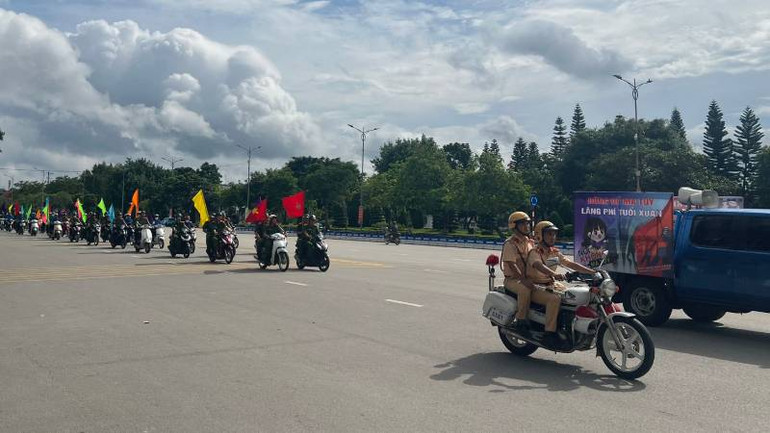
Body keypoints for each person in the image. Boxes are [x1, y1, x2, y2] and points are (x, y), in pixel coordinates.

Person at [526, 220, 596, 347]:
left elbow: (569, 263)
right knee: (554, 299)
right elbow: (538, 265)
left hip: (551, 284)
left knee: (571, 295)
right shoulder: (535, 252)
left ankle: (568, 326)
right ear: (540, 235)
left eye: (554, 234)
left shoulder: (554, 252)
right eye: (549, 234)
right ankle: (549, 333)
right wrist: (554, 274)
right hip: (535, 286)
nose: (552, 237)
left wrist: (592, 271)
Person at [501, 211, 536, 332]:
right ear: (514, 226)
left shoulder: (530, 242)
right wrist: (523, 280)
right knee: (525, 289)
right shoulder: (510, 244)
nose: (526, 226)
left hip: (528, 277)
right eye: (522, 224)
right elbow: (512, 264)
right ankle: (521, 319)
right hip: (513, 280)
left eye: (527, 224)